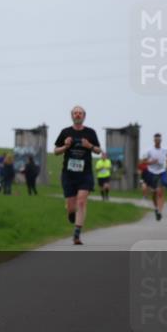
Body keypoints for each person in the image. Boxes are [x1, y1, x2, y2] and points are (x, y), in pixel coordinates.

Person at [54, 105, 101, 246]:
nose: (78, 115)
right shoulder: (65, 132)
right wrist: (65, 146)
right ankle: (70, 211)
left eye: (80, 113)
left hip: (85, 174)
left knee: (81, 201)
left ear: (84, 116)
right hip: (68, 174)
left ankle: (77, 233)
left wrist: (89, 146)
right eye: (75, 113)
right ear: (72, 115)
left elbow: (98, 150)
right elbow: (56, 151)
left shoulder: (90, 132)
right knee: (71, 206)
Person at [142, 133, 167, 221]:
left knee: (160, 192)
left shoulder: (165, 150)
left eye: (159, 139)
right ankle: (156, 208)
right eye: (156, 139)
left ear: (161, 140)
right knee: (154, 193)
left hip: (162, 172)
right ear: (154, 140)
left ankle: (159, 212)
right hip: (152, 173)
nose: (157, 141)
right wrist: (151, 162)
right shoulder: (149, 151)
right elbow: (143, 161)